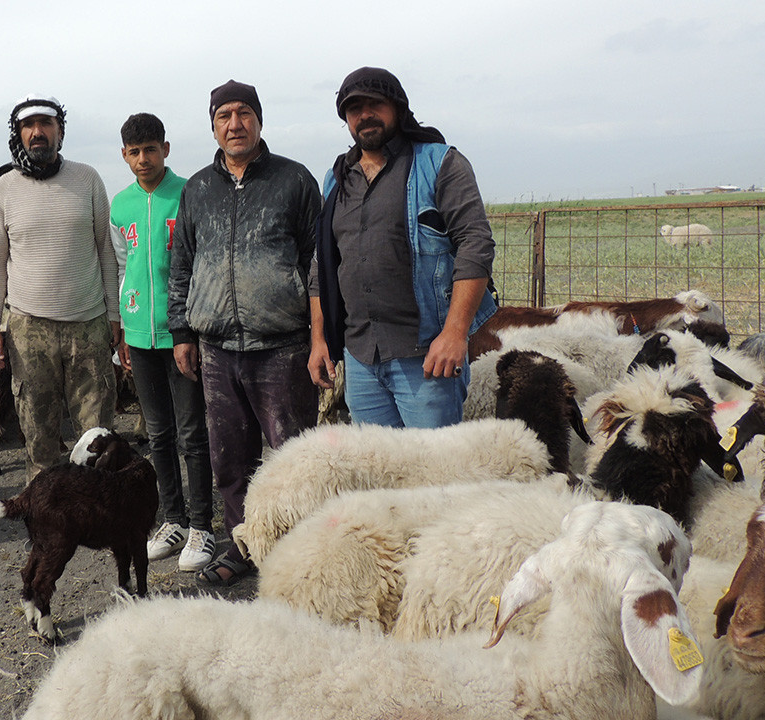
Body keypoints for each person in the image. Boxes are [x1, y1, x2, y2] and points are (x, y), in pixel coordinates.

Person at [168, 81, 321, 586]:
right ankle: (241, 547)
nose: (235, 124)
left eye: (244, 114)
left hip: (282, 346)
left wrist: (319, 335)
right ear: (213, 126)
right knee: (230, 459)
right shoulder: (197, 189)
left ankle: (299, 550)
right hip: (216, 349)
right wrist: (182, 331)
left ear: (259, 119)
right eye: (224, 116)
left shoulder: (294, 181)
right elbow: (182, 263)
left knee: (292, 457)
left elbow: (316, 263)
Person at [308, 67, 497, 429]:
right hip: (361, 359)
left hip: (427, 357)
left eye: (374, 104)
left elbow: (475, 245)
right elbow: (321, 264)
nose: (364, 114)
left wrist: (455, 334)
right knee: (381, 477)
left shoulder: (439, 163)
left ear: (398, 107)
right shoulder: (336, 179)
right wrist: (320, 341)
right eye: (353, 108)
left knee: (434, 476)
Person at [0, 95, 122, 481]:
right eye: (29, 125)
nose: (38, 132)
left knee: (97, 435)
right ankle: (46, 517)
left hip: (89, 325)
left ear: (60, 132)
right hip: (28, 330)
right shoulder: (3, 189)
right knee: (38, 436)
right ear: (19, 134)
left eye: (47, 124)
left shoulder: (88, 179)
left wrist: (114, 314)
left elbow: (105, 251)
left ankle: (98, 510)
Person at [110, 113, 214, 573]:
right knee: (158, 434)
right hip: (139, 333)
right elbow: (121, 267)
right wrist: (123, 332)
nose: (143, 159)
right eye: (134, 152)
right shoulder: (120, 206)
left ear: (166, 149)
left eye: (150, 149)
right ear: (124, 155)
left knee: (192, 431)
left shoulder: (189, 194)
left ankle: (202, 525)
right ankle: (171, 520)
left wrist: (190, 330)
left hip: (181, 334)